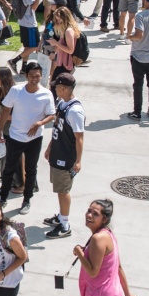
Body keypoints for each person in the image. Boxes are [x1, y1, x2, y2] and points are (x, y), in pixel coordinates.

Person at [0, 60, 55, 215]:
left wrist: (40, 123)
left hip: (35, 139)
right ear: (26, 75)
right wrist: (0, 130)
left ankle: (27, 199)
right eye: (31, 76)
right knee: (9, 168)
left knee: (31, 169)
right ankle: (3, 198)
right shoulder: (16, 90)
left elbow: (52, 115)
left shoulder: (46, 94)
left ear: (41, 76)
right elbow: (5, 111)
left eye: (37, 76)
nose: (34, 79)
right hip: (15, 136)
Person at [42, 73, 85, 239]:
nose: (54, 89)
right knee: (59, 188)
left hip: (66, 157)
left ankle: (65, 224)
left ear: (64, 89)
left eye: (56, 87)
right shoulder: (62, 103)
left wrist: (78, 161)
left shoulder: (75, 111)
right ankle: (61, 216)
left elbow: (79, 137)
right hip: (57, 152)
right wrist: (50, 147)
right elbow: (56, 129)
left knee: (63, 190)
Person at [47, 6, 81, 86]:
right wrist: (54, 51)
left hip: (66, 64)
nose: (57, 21)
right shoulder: (66, 29)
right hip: (63, 63)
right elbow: (61, 43)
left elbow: (70, 50)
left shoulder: (68, 31)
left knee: (54, 86)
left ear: (64, 18)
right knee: (57, 85)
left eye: (58, 19)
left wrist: (56, 43)